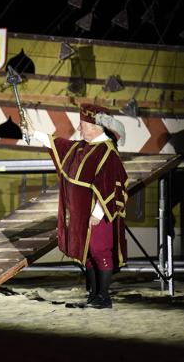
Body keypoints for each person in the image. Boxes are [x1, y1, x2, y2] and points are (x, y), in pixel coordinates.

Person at [23, 103, 128, 309]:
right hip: (80, 214)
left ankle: (104, 297)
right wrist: (33, 132)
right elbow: (58, 144)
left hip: (97, 214)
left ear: (96, 126)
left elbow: (111, 185)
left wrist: (97, 213)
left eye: (82, 125)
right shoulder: (82, 147)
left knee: (100, 251)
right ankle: (94, 295)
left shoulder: (107, 153)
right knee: (86, 252)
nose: (79, 129)